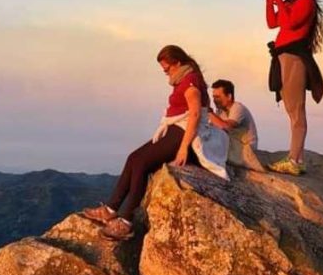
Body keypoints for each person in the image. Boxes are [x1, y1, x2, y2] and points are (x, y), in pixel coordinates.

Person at [80, 45, 228, 241]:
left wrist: (184, 148)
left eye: (167, 68)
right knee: (134, 158)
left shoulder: (190, 81)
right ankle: (110, 209)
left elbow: (194, 113)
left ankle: (126, 221)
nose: (165, 72)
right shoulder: (184, 78)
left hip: (184, 132)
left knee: (141, 163)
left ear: (177, 63)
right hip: (177, 129)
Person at [263, 0, 323, 176]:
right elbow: (273, 23)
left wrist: (279, 1)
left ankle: (293, 159)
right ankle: (297, 159)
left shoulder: (305, 1)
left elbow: (291, 24)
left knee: (296, 111)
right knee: (292, 110)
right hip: (283, 56)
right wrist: (270, 0)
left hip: (294, 57)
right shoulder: (289, 2)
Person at [209, 79, 265, 172]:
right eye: (214, 97)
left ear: (229, 96)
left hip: (247, 149)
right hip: (235, 146)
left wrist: (208, 112)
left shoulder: (238, 108)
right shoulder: (220, 111)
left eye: (218, 97)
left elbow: (226, 127)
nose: (215, 100)